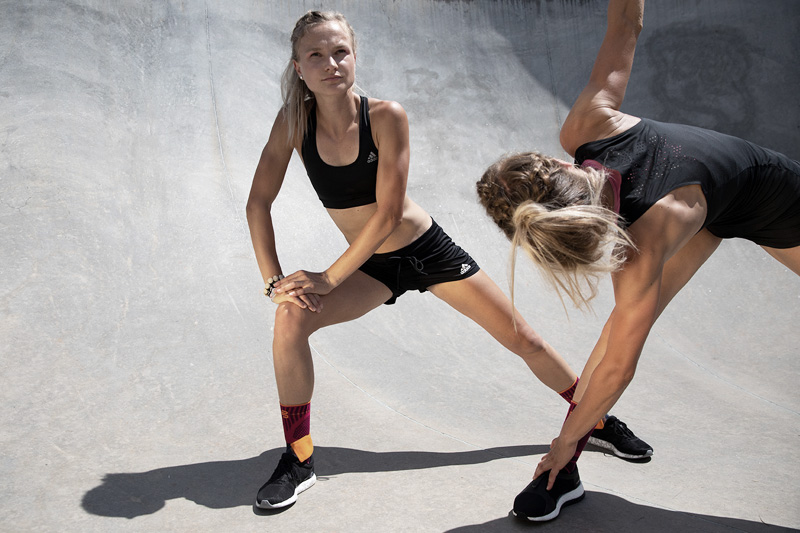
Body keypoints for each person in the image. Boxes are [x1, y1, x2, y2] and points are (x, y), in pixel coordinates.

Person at [246, 10, 651, 511]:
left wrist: (329, 277)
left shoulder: (386, 116)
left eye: (340, 52)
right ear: (298, 67)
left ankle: (597, 420)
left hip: (424, 251)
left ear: (355, 56)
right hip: (367, 266)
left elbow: (391, 209)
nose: (331, 64)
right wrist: (274, 282)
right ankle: (298, 458)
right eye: (316, 56)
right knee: (289, 318)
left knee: (525, 339)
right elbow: (257, 202)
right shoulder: (293, 123)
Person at [476, 0, 799, 522]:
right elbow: (626, 21)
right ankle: (567, 465)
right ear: (559, 164)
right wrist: (567, 440)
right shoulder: (585, 126)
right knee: (618, 327)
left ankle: (564, 451)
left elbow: (621, 369)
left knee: (622, 329)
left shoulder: (650, 233)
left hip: (775, 200)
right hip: (704, 203)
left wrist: (564, 437)